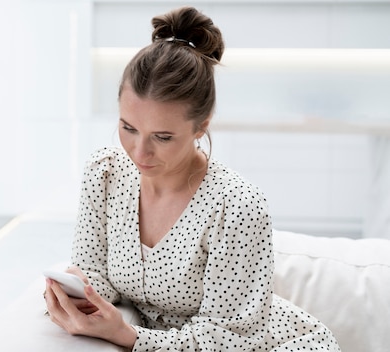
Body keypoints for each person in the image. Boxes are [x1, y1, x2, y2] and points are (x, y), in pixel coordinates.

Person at [43, 5, 341, 352]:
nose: (140, 152)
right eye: (128, 128)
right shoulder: (105, 173)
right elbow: (95, 272)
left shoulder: (237, 206)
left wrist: (125, 334)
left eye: (163, 137)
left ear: (202, 125)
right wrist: (80, 293)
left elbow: (229, 339)